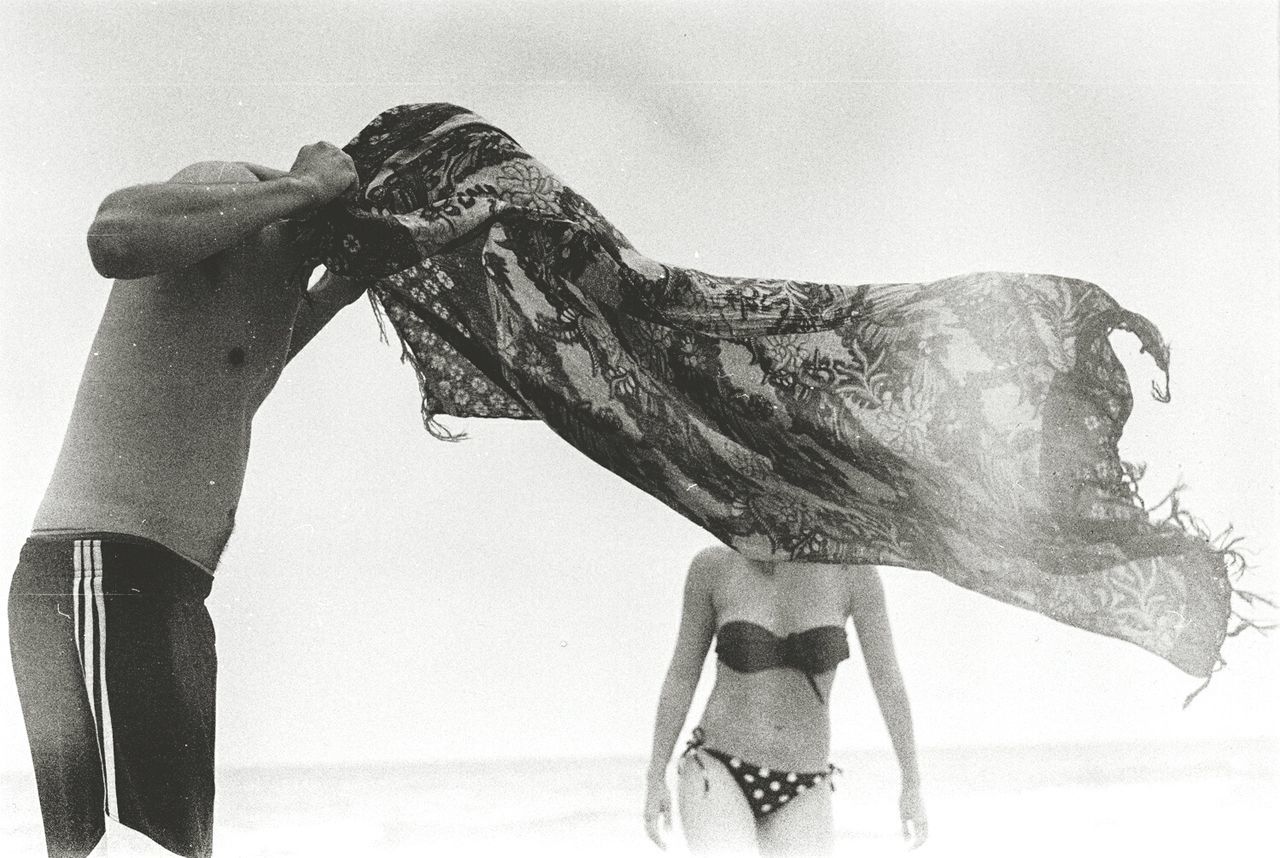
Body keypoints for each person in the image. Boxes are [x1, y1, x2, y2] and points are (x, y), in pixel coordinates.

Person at [8, 145, 367, 858]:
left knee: (171, 848)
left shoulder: (279, 274)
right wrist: (302, 190)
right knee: (131, 851)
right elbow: (112, 236)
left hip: (158, 586)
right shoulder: (227, 190)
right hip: (101, 569)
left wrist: (339, 288)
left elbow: (232, 385)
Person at [641, 546, 926, 855]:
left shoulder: (853, 575)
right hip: (718, 766)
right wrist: (656, 776)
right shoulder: (714, 567)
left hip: (803, 781)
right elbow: (683, 674)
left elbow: (887, 681)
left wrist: (911, 783)